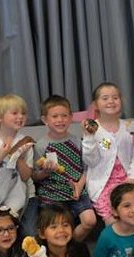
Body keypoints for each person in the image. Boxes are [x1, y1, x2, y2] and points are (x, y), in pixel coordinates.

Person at [82, 83, 134, 226]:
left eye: (115, 97)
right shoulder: (93, 129)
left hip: (128, 179)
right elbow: (90, 161)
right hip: (104, 184)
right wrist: (89, 137)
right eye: (105, 98)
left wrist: (133, 177)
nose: (111, 101)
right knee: (113, 222)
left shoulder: (129, 126)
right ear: (95, 105)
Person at [30, 95, 98, 241]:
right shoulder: (41, 145)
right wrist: (45, 172)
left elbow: (86, 168)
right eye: (55, 116)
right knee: (55, 225)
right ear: (45, 120)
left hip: (76, 190)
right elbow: (34, 176)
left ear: (71, 117)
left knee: (90, 220)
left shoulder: (77, 141)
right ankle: (61, 245)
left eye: (64, 116)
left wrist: (80, 185)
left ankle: (70, 243)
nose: (60, 120)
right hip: (52, 193)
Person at [0, 94, 35, 229]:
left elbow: (26, 176)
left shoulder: (26, 141)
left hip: (26, 196)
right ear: (0, 117)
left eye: (23, 113)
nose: (20, 117)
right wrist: (1, 156)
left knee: (29, 233)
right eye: (15, 113)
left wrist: (19, 158)